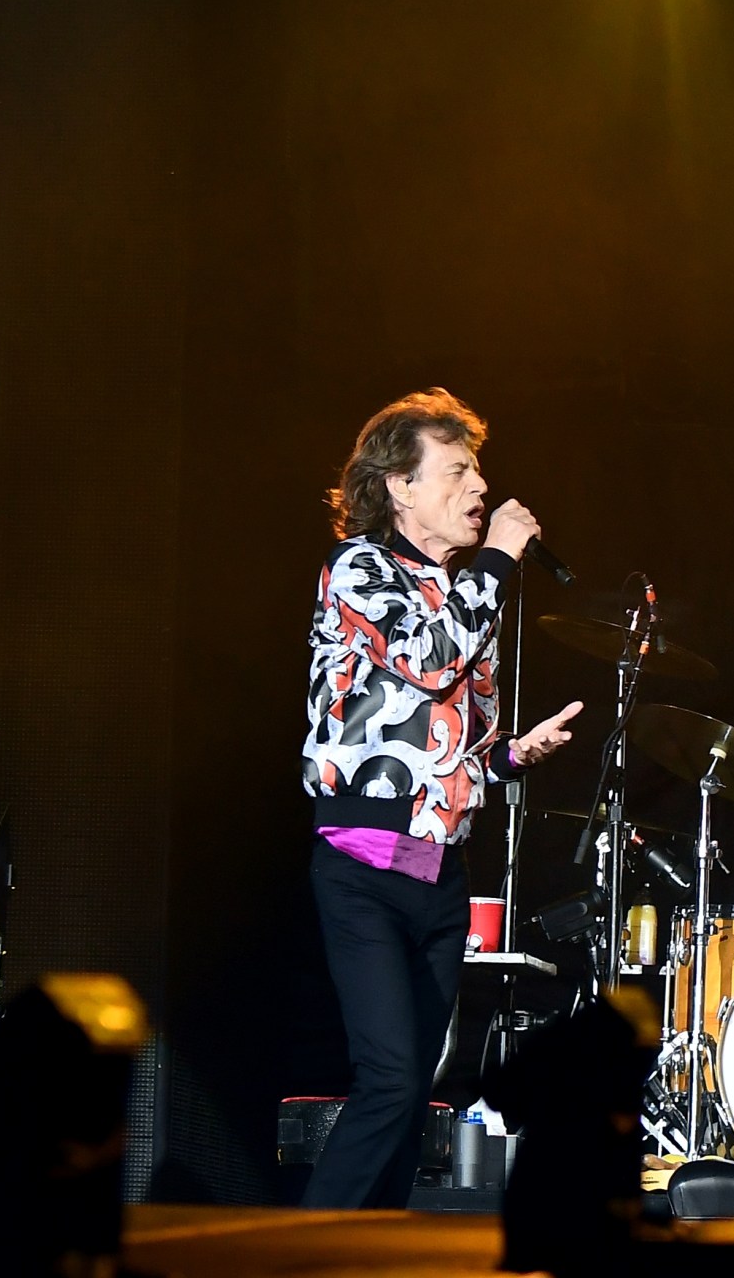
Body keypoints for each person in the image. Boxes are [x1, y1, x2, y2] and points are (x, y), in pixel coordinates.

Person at [300, 389, 582, 1209]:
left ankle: (370, 1253)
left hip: (438, 876)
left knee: (413, 1084)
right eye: (457, 470)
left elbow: (452, 753)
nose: (478, 487)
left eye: (478, 471)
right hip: (363, 865)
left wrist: (513, 756)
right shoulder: (361, 568)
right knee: (389, 1076)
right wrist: (496, 559)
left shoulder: (463, 594)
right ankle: (302, 1256)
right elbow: (426, 659)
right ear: (400, 487)